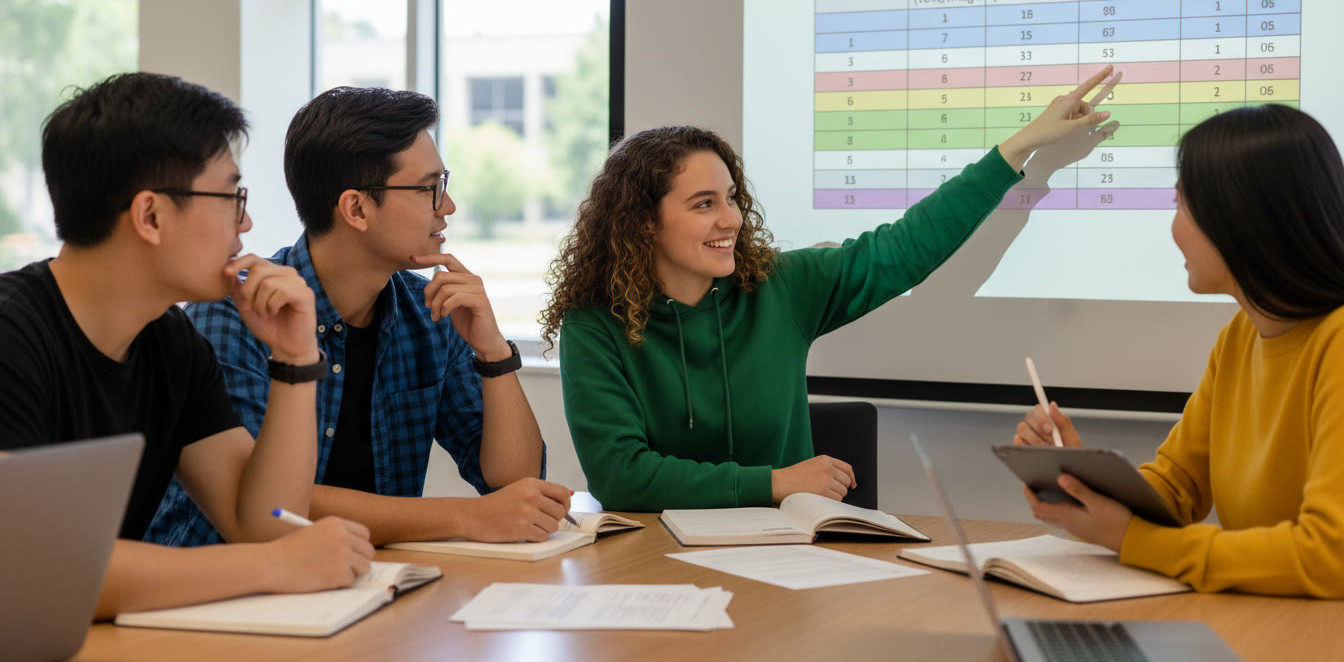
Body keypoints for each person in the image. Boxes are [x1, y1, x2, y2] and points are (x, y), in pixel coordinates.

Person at [543, 67, 1119, 512]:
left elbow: (904, 249)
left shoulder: (781, 287)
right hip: (653, 562)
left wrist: (1018, 148)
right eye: (704, 204)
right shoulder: (594, 326)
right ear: (642, 222)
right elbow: (620, 476)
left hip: (785, 557)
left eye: (732, 198)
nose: (732, 219)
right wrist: (777, 482)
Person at [0, 73, 373, 618]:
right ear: (150, 216)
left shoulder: (171, 342)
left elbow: (264, 521)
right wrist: (279, 568)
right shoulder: (11, 336)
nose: (245, 222)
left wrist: (296, 359)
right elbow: (34, 568)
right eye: (230, 196)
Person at [149, 86, 569, 548]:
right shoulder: (234, 319)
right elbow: (272, 507)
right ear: (356, 208)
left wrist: (493, 353)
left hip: (364, 584)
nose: (447, 207)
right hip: (223, 593)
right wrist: (467, 517)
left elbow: (514, 487)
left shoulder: (427, 310)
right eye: (431, 189)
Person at [1011, 103, 1344, 598]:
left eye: (1180, 205)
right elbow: (1177, 486)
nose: (1173, 227)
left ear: (1238, 219)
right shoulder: (1240, 336)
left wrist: (1131, 537)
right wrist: (1087, 482)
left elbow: (1328, 556)